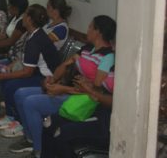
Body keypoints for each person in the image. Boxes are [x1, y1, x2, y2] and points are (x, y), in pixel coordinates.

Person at [9, 15, 116, 158]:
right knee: (20, 94)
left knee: (31, 103)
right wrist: (52, 80)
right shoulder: (88, 49)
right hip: (67, 88)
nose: (87, 30)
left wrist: (62, 89)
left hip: (80, 99)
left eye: (90, 27)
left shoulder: (107, 57)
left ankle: (39, 150)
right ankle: (31, 139)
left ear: (99, 32)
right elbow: (66, 65)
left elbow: (94, 91)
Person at [0, 5, 60, 139]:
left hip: (48, 79)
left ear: (30, 20)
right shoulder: (36, 34)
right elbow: (28, 59)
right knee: (8, 80)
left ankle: (16, 121)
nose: (23, 18)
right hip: (39, 72)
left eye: (25, 15)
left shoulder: (36, 39)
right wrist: (12, 65)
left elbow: (27, 72)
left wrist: (0, 76)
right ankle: (10, 115)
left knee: (11, 85)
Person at [41, 72, 114, 158]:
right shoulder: (113, 66)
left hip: (109, 125)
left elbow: (116, 103)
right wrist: (89, 85)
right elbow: (102, 90)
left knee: (63, 134)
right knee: (49, 122)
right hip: (99, 110)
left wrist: (91, 91)